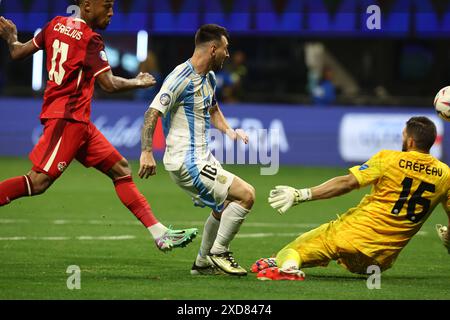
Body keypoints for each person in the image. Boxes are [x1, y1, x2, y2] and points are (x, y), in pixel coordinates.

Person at [0, 0, 198, 252]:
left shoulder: (55, 25)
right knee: (38, 182)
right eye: (106, 6)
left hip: (78, 122)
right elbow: (109, 84)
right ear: (87, 6)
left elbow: (17, 52)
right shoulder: (90, 40)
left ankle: (161, 234)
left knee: (121, 169)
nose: (112, 12)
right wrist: (138, 81)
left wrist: (11, 38)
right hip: (67, 120)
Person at [253, 117, 450, 281]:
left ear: (410, 141)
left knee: (295, 249)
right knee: (320, 248)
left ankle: (288, 268)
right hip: (379, 261)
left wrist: (301, 194)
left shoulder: (390, 159)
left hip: (352, 235)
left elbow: (347, 183)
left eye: (403, 135)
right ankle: (279, 261)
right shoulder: (445, 174)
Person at [139, 24, 256, 276]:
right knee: (246, 195)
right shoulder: (180, 78)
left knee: (223, 204)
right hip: (186, 162)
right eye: (226, 49)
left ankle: (202, 262)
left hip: (203, 158)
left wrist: (230, 131)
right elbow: (152, 113)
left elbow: (213, 110)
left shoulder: (209, 78)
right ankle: (219, 252)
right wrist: (147, 151)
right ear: (213, 49)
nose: (227, 54)